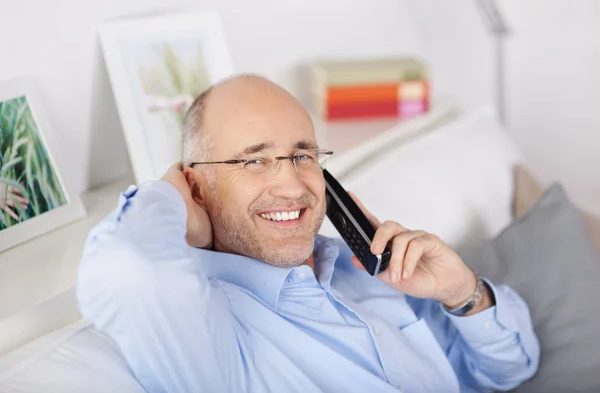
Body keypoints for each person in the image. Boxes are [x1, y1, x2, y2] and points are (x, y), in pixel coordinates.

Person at [76, 75, 540, 393]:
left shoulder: (367, 270)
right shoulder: (209, 329)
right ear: (196, 186)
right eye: (254, 160)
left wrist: (463, 293)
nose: (293, 185)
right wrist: (169, 197)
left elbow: (508, 369)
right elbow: (124, 266)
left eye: (303, 156)